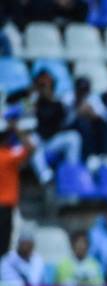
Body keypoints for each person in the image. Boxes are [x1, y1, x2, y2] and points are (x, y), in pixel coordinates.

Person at [8, 69, 82, 184]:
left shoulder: (58, 103)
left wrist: (49, 96)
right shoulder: (32, 102)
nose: (44, 88)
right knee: (32, 142)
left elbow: (66, 120)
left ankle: (71, 172)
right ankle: (45, 178)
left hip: (51, 141)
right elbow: (12, 110)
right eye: (41, 85)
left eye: (47, 85)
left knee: (74, 137)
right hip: (35, 141)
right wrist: (32, 95)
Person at [0, 107, 35, 256]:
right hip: (6, 205)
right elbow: (31, 148)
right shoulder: (9, 156)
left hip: (5, 205)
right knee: (4, 244)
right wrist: (17, 129)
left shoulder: (8, 156)